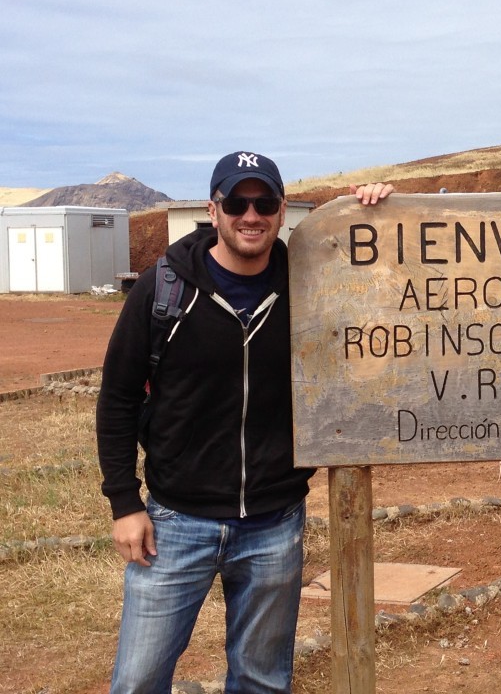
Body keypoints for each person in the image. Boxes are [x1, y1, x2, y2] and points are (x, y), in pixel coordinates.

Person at [96, 151, 393, 693]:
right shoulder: (162, 290)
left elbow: (389, 287)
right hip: (174, 524)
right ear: (213, 210)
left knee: (261, 681)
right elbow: (116, 397)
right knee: (138, 681)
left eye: (263, 203)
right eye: (236, 201)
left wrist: (372, 213)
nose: (249, 215)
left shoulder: (312, 282)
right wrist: (124, 503)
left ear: (282, 212)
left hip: (273, 522)